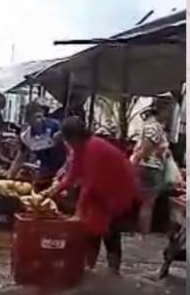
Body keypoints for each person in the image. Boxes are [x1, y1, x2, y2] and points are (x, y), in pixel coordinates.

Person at [42, 117, 141, 274]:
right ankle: (90, 269)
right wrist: (50, 192)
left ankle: (113, 274)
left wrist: (78, 213)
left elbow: (90, 185)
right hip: (101, 192)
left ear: (74, 137)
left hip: (118, 193)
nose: (67, 144)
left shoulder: (94, 148)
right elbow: (71, 176)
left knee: (110, 232)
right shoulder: (80, 149)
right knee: (91, 229)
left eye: (67, 140)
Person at [130, 95, 182, 232]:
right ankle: (142, 232)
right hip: (151, 168)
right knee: (148, 204)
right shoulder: (154, 127)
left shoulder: (151, 124)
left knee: (144, 202)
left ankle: (140, 231)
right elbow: (147, 150)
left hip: (147, 167)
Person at [9, 101, 64, 187]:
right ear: (28, 120)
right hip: (44, 171)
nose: (40, 120)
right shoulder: (26, 136)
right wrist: (10, 177)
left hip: (61, 170)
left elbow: (69, 151)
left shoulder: (55, 127)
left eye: (40, 116)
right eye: (36, 117)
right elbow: (19, 158)